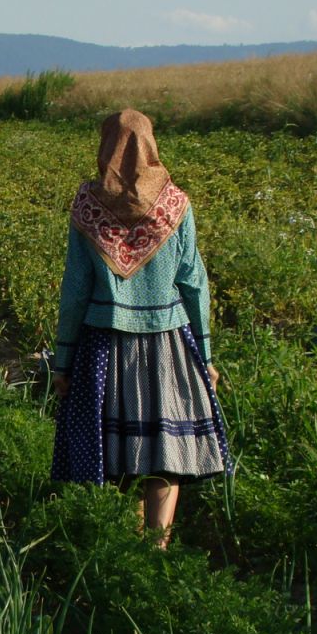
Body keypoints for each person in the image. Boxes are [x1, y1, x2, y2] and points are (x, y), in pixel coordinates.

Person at [50, 109, 229, 548]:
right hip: (169, 343)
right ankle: (157, 546)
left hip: (102, 342)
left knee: (113, 449)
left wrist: (63, 361)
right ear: (151, 145)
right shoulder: (175, 204)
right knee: (165, 450)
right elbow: (194, 282)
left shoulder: (88, 206)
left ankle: (123, 544)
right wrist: (204, 357)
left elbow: (75, 290)